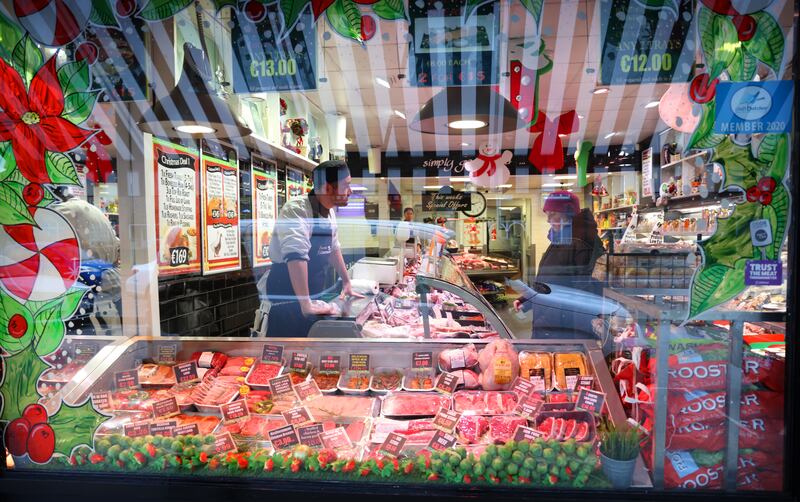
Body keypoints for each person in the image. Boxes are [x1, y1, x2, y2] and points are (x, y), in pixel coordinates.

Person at [264, 160, 363, 337]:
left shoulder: (329, 211)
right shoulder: (296, 210)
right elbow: (296, 257)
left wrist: (347, 283)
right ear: (328, 188)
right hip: (287, 305)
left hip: (311, 300)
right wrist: (305, 303)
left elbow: (334, 248)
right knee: (287, 358)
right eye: (346, 185)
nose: (351, 191)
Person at [513, 190, 605, 336]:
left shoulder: (579, 243)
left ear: (568, 213)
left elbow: (585, 291)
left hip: (562, 326)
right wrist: (528, 300)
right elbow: (551, 280)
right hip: (551, 320)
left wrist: (577, 333)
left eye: (553, 214)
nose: (548, 219)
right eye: (547, 214)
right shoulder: (563, 238)